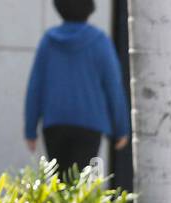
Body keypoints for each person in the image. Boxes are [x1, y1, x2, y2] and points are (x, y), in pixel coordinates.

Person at [24, 0, 129, 177]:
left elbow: (35, 87)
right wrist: (121, 128)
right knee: (81, 186)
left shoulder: (49, 41)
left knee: (59, 184)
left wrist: (30, 129)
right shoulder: (100, 41)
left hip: (54, 123)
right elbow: (113, 87)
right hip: (90, 125)